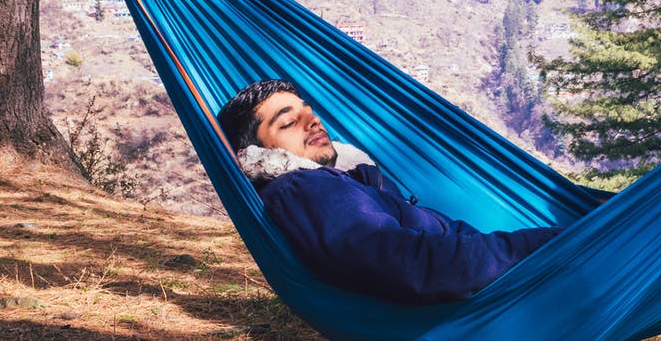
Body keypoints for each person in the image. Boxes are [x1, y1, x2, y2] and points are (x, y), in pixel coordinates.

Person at [217, 79, 562, 305]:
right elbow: (409, 262)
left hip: (494, 286)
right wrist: (553, 245)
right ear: (258, 151)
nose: (314, 121)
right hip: (475, 307)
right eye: (288, 122)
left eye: (310, 111)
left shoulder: (346, 178)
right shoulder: (306, 188)